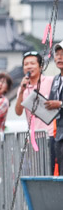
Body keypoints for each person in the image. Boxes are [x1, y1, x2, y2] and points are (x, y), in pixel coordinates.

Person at [15, 51, 55, 158]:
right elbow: (18, 112)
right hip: (33, 138)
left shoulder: (51, 81)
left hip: (51, 134)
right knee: (37, 171)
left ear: (40, 67)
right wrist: (22, 91)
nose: (29, 67)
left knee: (51, 169)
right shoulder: (22, 88)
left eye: (32, 63)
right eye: (26, 64)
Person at [45, 41, 63, 175]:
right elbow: (52, 101)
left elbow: (58, 103)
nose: (59, 58)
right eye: (57, 54)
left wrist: (60, 104)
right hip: (59, 133)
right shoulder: (56, 79)